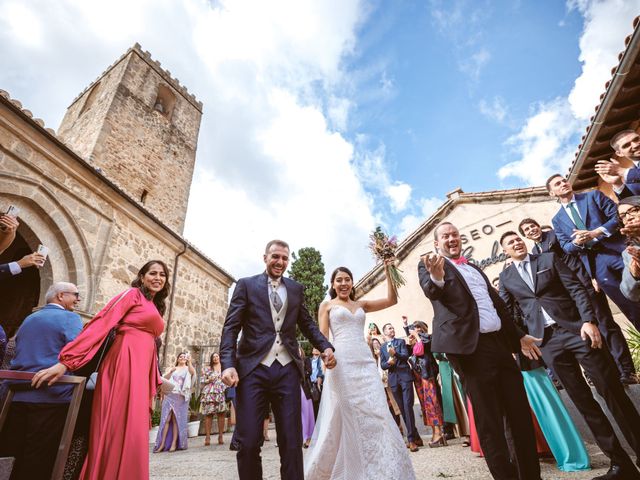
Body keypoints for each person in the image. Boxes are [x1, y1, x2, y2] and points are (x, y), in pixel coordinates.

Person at [499, 231, 640, 479]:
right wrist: (520, 338)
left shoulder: (548, 259)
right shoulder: (506, 277)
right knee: (583, 402)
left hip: (577, 330)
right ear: (505, 251)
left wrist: (588, 320)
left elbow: (576, 288)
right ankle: (620, 464)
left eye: (519, 239)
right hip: (548, 343)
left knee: (611, 392)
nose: (517, 242)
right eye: (510, 242)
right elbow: (509, 312)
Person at [418, 222, 541, 480]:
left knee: (519, 414)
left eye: (454, 234)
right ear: (436, 243)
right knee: (489, 422)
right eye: (445, 236)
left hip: (499, 345)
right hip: (469, 350)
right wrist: (437, 276)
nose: (451, 238)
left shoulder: (473, 267)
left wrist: (518, 336)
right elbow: (432, 290)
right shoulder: (430, 265)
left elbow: (497, 304)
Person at [32, 260, 170, 480]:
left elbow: (151, 345)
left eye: (162, 275)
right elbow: (102, 322)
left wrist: (156, 380)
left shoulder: (154, 305)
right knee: (116, 427)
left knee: (135, 431)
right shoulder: (132, 295)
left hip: (141, 369)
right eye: (152, 273)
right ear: (142, 276)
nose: (158, 278)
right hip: (123, 363)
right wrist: (66, 362)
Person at [219, 239, 336, 480]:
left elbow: (307, 324)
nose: (280, 262)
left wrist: (325, 346)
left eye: (284, 258)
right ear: (265, 258)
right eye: (275, 257)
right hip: (253, 371)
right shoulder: (246, 285)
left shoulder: (295, 288)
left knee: (292, 442)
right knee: (249, 441)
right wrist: (228, 363)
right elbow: (231, 328)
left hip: (287, 371)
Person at [304, 264, 416, 479]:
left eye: (347, 279)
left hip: (365, 362)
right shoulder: (326, 305)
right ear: (333, 284)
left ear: (352, 282)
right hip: (341, 363)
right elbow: (322, 337)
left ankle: (383, 467)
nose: (344, 283)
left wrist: (388, 269)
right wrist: (327, 357)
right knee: (346, 413)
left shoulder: (361, 304)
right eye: (339, 280)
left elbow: (391, 300)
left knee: (377, 410)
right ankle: (349, 467)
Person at [518, 217, 637, 384]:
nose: (531, 230)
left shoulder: (555, 235)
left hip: (585, 284)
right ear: (526, 236)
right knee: (590, 333)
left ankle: (627, 370)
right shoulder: (535, 253)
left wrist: (592, 275)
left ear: (539, 226)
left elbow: (580, 253)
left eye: (532, 226)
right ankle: (613, 372)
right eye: (527, 230)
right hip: (570, 297)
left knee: (605, 326)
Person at [0, 282, 83, 480]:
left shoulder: (29, 318)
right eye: (75, 295)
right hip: (51, 397)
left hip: (17, 396)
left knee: (12, 455)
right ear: (61, 296)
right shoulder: (70, 318)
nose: (78, 299)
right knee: (39, 459)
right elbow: (78, 353)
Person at [548, 174, 640, 331]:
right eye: (558, 184)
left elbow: (617, 217)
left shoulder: (593, 196)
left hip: (620, 250)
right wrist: (578, 242)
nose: (563, 183)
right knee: (626, 305)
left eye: (564, 180)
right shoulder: (557, 219)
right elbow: (566, 246)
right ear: (552, 193)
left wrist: (596, 232)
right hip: (596, 264)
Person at [379, 322, 423, 451]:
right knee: (403, 409)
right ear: (384, 333)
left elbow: (405, 356)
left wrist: (395, 354)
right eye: (389, 328)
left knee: (408, 406)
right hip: (393, 380)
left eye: (393, 327)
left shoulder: (400, 343)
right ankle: (416, 436)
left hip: (405, 377)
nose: (392, 329)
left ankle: (411, 440)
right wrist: (388, 362)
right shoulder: (382, 348)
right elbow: (382, 365)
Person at [405, 320, 446, 447]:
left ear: (422, 328)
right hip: (417, 375)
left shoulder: (427, 338)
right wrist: (407, 328)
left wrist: (417, 337)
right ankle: (435, 432)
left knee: (432, 402)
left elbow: (420, 352)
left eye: (417, 327)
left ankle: (439, 432)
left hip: (427, 374)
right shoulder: (414, 340)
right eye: (414, 327)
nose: (415, 329)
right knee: (424, 405)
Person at [154, 352, 195, 452]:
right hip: (169, 395)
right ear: (177, 359)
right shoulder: (172, 368)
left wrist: (189, 362)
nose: (182, 358)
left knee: (176, 419)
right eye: (180, 356)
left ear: (187, 359)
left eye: (184, 357)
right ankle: (162, 444)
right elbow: (163, 379)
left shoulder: (188, 369)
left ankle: (174, 444)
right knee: (166, 419)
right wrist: (170, 372)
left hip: (180, 396)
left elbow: (193, 373)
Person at [595, 129, 640, 198]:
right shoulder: (631, 180)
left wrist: (620, 171)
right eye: (626, 145)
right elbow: (633, 205)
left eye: (636, 139)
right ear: (619, 153)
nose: (635, 145)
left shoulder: (628, 174)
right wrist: (618, 184)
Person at [200, 352, 228, 446]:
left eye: (217, 356)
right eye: (213, 357)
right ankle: (207, 437)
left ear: (219, 357)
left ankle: (220, 436)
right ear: (212, 359)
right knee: (209, 414)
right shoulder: (208, 369)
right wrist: (209, 380)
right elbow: (202, 380)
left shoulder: (224, 368)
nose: (215, 358)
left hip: (220, 392)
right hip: (210, 392)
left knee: (221, 413)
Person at [618, 196, 640, 301]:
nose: (628, 217)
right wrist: (634, 275)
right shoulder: (629, 253)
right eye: (622, 216)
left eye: (633, 210)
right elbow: (630, 295)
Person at [300, 347, 315, 448]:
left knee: (307, 413)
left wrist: (301, 374)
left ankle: (308, 437)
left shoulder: (306, 360)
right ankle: (301, 437)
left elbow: (309, 371)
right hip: (295, 389)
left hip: (305, 389)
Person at [308, 348, 324, 418]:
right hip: (310, 384)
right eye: (314, 349)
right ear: (312, 351)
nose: (316, 350)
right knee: (313, 404)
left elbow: (321, 371)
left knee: (319, 403)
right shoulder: (309, 360)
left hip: (318, 384)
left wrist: (319, 381)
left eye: (317, 349)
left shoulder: (320, 359)